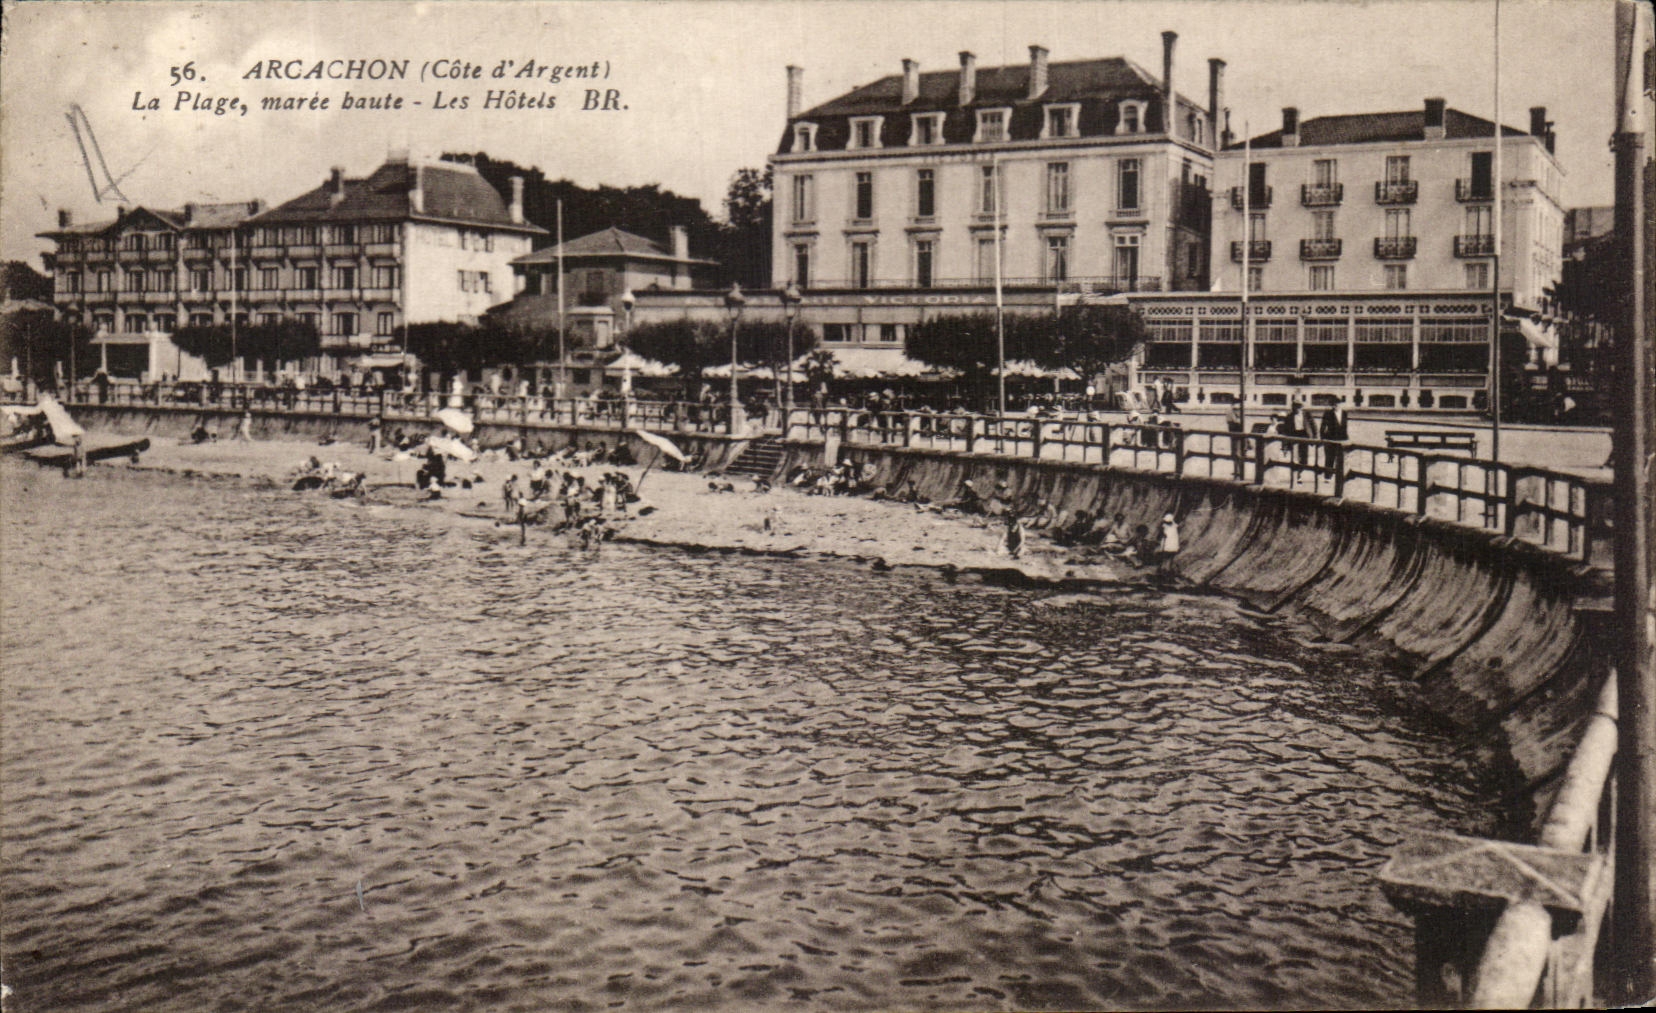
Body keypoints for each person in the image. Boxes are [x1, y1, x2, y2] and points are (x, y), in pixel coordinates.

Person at [1320, 401, 1350, 482]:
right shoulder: (1328, 413)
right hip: (1331, 438)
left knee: (1341, 458)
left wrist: (1347, 438)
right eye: (1335, 404)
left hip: (1342, 439)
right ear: (1332, 405)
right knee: (1330, 458)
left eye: (1338, 404)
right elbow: (1323, 425)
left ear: (1341, 405)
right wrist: (1322, 437)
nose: (1336, 406)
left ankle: (1341, 476)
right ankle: (1327, 477)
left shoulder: (1344, 413)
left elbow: (1345, 426)